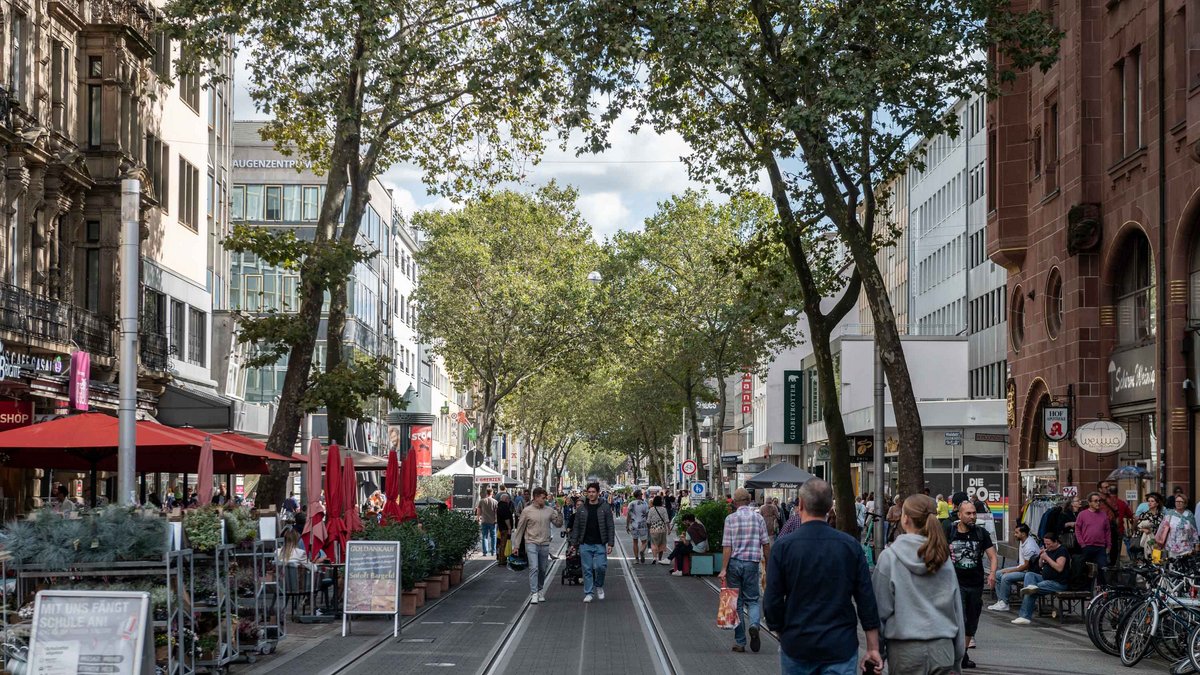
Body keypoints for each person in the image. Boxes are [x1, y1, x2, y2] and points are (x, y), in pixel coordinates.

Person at [765, 480, 881, 673]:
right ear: (829, 506)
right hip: (840, 645)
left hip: (797, 644)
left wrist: (782, 631)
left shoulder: (783, 547)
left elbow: (772, 600)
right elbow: (866, 599)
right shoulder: (850, 546)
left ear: (800, 504)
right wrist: (873, 647)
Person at [873, 495, 964, 674]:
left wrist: (878, 651)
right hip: (942, 647)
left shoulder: (890, 558)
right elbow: (956, 609)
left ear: (905, 518)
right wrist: (958, 656)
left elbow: (880, 610)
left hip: (905, 650)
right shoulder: (942, 558)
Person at [720, 488, 770, 654]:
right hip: (752, 564)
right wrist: (768, 564)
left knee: (737, 603)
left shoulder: (730, 519)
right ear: (749, 501)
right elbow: (766, 543)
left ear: (734, 502)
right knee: (753, 599)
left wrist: (723, 568)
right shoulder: (758, 518)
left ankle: (740, 642)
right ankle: (755, 625)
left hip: (734, 563)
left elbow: (727, 546)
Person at [948, 500, 997, 669]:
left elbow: (992, 556)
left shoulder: (981, 533)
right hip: (956, 584)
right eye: (968, 513)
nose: (972, 517)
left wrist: (992, 573)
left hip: (975, 584)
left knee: (972, 622)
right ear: (959, 515)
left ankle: (962, 653)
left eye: (974, 513)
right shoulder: (949, 531)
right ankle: (957, 655)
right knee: (960, 619)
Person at [511, 487, 563, 604]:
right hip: (531, 542)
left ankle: (540, 589)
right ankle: (534, 593)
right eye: (543, 498)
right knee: (534, 567)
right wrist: (516, 546)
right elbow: (520, 529)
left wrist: (559, 512)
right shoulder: (527, 511)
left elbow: (559, 524)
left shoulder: (549, 510)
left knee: (543, 568)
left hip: (544, 543)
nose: (545, 500)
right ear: (535, 497)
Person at [1010, 531, 1071, 625]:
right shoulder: (1048, 550)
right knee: (1029, 575)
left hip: (1057, 582)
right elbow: (1040, 565)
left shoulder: (1061, 551)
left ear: (1056, 542)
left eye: (1049, 544)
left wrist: (1047, 558)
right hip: (1046, 578)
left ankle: (1024, 616)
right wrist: (1041, 558)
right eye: (1045, 544)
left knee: (1032, 590)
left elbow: (1059, 568)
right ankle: (1030, 587)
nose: (1047, 546)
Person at [568, 482, 614, 602]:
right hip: (585, 543)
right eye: (589, 492)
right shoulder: (582, 509)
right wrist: (573, 543)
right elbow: (577, 526)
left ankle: (599, 585)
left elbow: (610, 526)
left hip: (600, 543)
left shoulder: (605, 507)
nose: (591, 494)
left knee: (601, 567)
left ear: (598, 493)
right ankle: (589, 592)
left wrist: (610, 543)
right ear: (587, 493)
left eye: (594, 492)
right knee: (587, 569)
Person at [988, 523, 1040, 612]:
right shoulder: (1023, 540)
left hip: (1028, 572)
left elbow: (1025, 566)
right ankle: (1001, 601)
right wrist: (1010, 570)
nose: (1014, 534)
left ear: (1023, 534)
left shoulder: (1029, 546)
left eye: (1016, 533)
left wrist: (1010, 570)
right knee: (997, 574)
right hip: (1022, 567)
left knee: (1005, 577)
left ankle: (1005, 603)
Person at [1075, 491, 1111, 576]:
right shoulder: (1082, 514)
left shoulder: (1103, 515)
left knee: (1102, 569)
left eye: (1099, 501)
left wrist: (1109, 546)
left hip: (1100, 547)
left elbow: (1107, 531)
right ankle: (1087, 588)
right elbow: (1077, 529)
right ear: (1089, 502)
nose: (1098, 503)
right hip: (1087, 546)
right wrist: (1082, 543)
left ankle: (1101, 587)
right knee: (1086, 570)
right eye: (1095, 501)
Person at [1098, 479, 1133, 562]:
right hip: (1101, 531)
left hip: (1113, 529)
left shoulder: (1113, 500)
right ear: (1100, 489)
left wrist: (1116, 526)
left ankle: (1113, 570)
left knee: (1114, 553)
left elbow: (1118, 514)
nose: (1108, 488)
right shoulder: (1097, 500)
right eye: (1105, 487)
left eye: (1108, 487)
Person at [1158, 493, 1199, 559]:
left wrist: (1197, 544)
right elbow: (1162, 529)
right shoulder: (1169, 514)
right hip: (1172, 547)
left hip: (1187, 548)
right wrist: (1159, 543)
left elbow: (1194, 531)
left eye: (1181, 502)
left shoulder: (1189, 515)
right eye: (1177, 501)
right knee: (1173, 568)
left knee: (1185, 568)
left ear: (1185, 503)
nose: (1178, 503)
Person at [626, 489, 650, 564]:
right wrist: (649, 525)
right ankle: (642, 551)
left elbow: (628, 515)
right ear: (640, 495)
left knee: (635, 541)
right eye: (641, 494)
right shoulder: (645, 504)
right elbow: (647, 515)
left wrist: (627, 525)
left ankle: (636, 559)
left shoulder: (631, 504)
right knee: (644, 541)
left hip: (633, 525)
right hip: (642, 524)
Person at [646, 496, 672, 565]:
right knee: (662, 544)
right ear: (661, 501)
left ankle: (654, 558)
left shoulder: (651, 509)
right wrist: (669, 529)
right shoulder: (664, 509)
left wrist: (649, 528)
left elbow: (648, 521)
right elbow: (667, 520)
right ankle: (660, 559)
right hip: (662, 529)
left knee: (654, 544)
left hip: (653, 528)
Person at [475, 488, 498, 558]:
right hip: (492, 521)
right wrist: (496, 519)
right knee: (493, 536)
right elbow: (496, 512)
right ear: (492, 493)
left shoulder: (482, 501)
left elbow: (478, 510)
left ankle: (485, 552)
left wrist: (478, 517)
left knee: (484, 536)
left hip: (484, 521)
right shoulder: (495, 502)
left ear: (486, 493)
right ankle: (493, 551)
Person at [496, 492, 515, 564]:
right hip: (505, 528)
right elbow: (506, 518)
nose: (509, 500)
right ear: (506, 499)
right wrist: (509, 527)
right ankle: (502, 560)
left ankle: (501, 558)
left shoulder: (499, 506)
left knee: (501, 543)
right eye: (508, 499)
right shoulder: (505, 507)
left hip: (501, 528)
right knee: (503, 544)